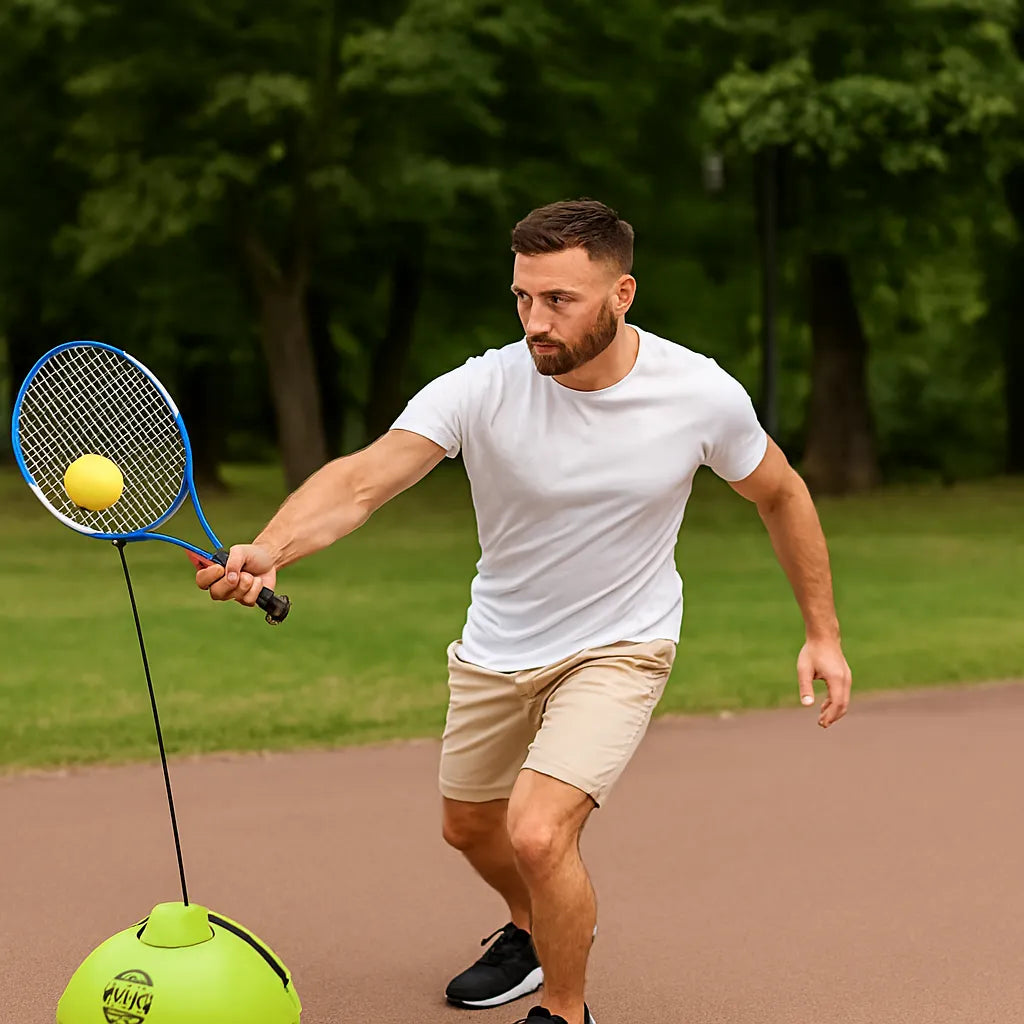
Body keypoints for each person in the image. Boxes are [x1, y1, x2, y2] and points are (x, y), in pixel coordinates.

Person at [196, 198, 853, 1024]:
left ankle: (566, 1011)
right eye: (523, 298)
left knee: (540, 833)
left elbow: (782, 493)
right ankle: (533, 926)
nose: (534, 322)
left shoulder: (698, 393)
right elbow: (365, 479)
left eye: (559, 301)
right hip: (497, 645)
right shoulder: (484, 386)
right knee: (471, 830)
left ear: (622, 295)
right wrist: (274, 544)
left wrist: (822, 633)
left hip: (622, 644)